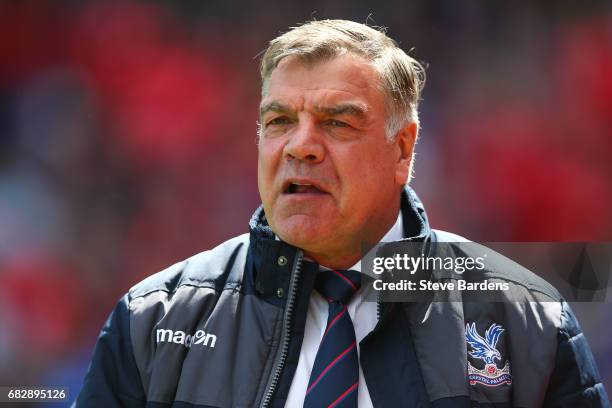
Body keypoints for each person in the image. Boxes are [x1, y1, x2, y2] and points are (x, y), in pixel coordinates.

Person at [75, 20, 609, 407]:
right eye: (279, 120)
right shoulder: (152, 320)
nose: (300, 147)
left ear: (403, 150)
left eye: (337, 123)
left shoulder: (528, 322)